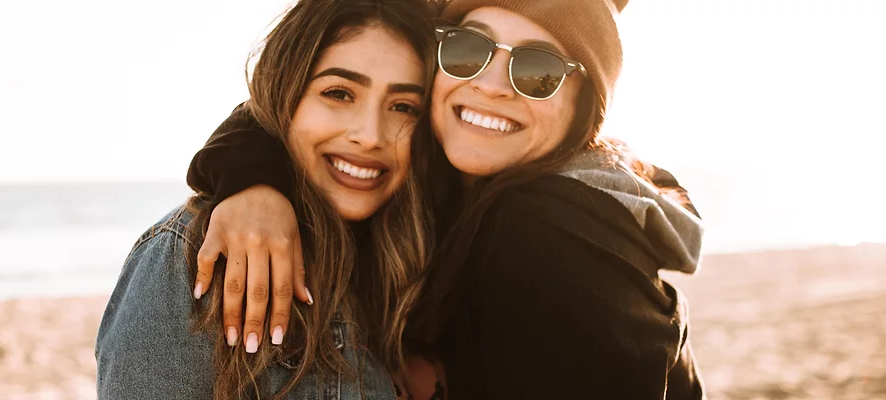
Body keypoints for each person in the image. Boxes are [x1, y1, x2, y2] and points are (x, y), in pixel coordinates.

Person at [186, 0, 707, 398]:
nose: (492, 86)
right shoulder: (442, 178)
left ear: (584, 109)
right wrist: (256, 181)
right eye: (467, 51)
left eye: (537, 71)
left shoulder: (550, 231)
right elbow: (294, 90)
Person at [94, 0, 443, 398]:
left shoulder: (407, 263)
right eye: (339, 93)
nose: (371, 135)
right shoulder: (194, 256)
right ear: (285, 96)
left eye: (403, 107)